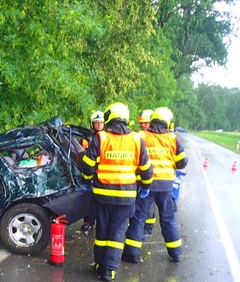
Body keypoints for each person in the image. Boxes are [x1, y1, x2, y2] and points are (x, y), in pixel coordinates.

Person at [80, 102, 153, 281]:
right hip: (126, 197)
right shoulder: (136, 139)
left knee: (102, 231)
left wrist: (85, 178)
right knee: (118, 232)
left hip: (102, 195)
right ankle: (109, 270)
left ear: (109, 117)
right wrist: (146, 186)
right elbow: (147, 169)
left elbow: (88, 166)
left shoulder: (101, 137)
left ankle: (99, 264)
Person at [122, 107, 188, 264]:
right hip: (166, 186)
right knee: (168, 219)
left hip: (146, 184)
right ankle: (176, 253)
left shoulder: (142, 136)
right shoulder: (172, 138)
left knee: (138, 218)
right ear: (167, 122)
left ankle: (131, 254)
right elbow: (182, 162)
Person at [80, 110, 105, 232]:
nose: (99, 125)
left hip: (103, 175)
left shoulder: (108, 138)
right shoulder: (87, 139)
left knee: (100, 204)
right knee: (88, 201)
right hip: (90, 174)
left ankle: (100, 223)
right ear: (92, 124)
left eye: (101, 122)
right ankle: (88, 222)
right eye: (96, 123)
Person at [137, 109, 157, 239]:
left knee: (149, 206)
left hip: (152, 177)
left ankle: (147, 230)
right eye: (142, 123)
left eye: (146, 123)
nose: (143, 125)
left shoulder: (156, 137)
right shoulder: (140, 136)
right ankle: (139, 228)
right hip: (140, 177)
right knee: (140, 205)